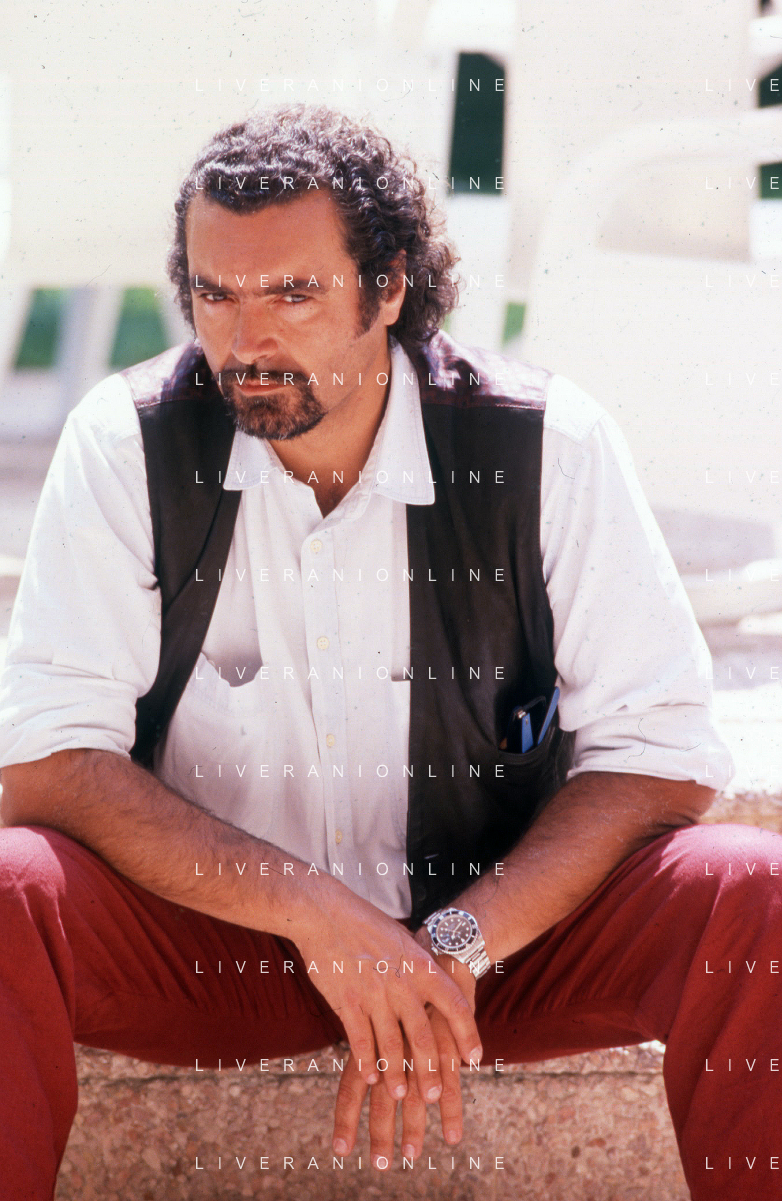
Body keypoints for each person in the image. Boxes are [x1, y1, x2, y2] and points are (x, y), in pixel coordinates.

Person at [0, 103, 777, 1201]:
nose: (246, 340)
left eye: (293, 294)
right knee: (7, 889)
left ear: (390, 287)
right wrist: (313, 913)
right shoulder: (126, 442)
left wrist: (455, 938)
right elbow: (48, 764)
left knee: (752, 891)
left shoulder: (545, 444)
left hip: (493, 945)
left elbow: (660, 758)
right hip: (221, 937)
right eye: (216, 295)